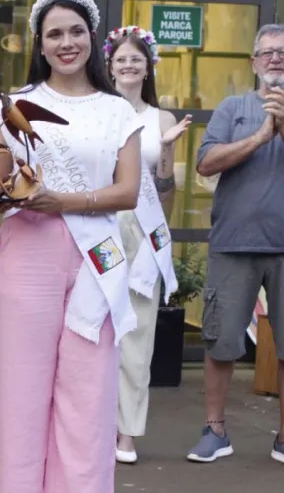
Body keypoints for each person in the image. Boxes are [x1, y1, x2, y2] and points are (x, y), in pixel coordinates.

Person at [0, 0, 142, 493]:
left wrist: (63, 202)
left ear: (92, 39)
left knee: (89, 398)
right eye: (55, 33)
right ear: (40, 43)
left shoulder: (118, 111)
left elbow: (128, 191)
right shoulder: (13, 107)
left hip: (94, 263)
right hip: (26, 261)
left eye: (76, 31)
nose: (66, 42)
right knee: (21, 396)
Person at [189, 23, 284, 472]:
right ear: (253, 63)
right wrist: (258, 137)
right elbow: (206, 162)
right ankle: (215, 430)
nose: (274, 59)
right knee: (220, 342)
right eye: (266, 52)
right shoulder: (233, 107)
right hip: (234, 245)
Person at [104, 26, 191, 464]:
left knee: (138, 337)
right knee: (95, 330)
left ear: (148, 66)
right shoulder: (96, 111)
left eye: (136, 59)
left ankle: (127, 433)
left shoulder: (163, 120)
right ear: (110, 65)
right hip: (100, 230)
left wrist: (168, 151)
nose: (128, 65)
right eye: (121, 58)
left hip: (144, 232)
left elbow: (167, 192)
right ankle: (93, 426)